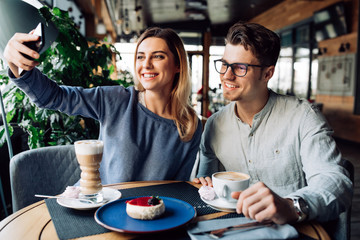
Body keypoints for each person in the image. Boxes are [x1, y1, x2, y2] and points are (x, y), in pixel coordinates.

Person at [193, 22, 353, 225]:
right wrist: (204, 182)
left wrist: (291, 206)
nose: (226, 75)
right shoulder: (214, 124)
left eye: (240, 67)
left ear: (267, 74)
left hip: (296, 230)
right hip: (233, 229)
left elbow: (336, 181)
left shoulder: (303, 117)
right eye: (224, 64)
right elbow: (204, 183)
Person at [4, 27, 202, 184]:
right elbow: (55, 97)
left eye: (158, 56)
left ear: (178, 66)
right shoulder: (116, 99)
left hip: (146, 218)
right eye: (141, 56)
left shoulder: (190, 124)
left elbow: (179, 188)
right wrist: (17, 65)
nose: (146, 64)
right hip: (94, 208)